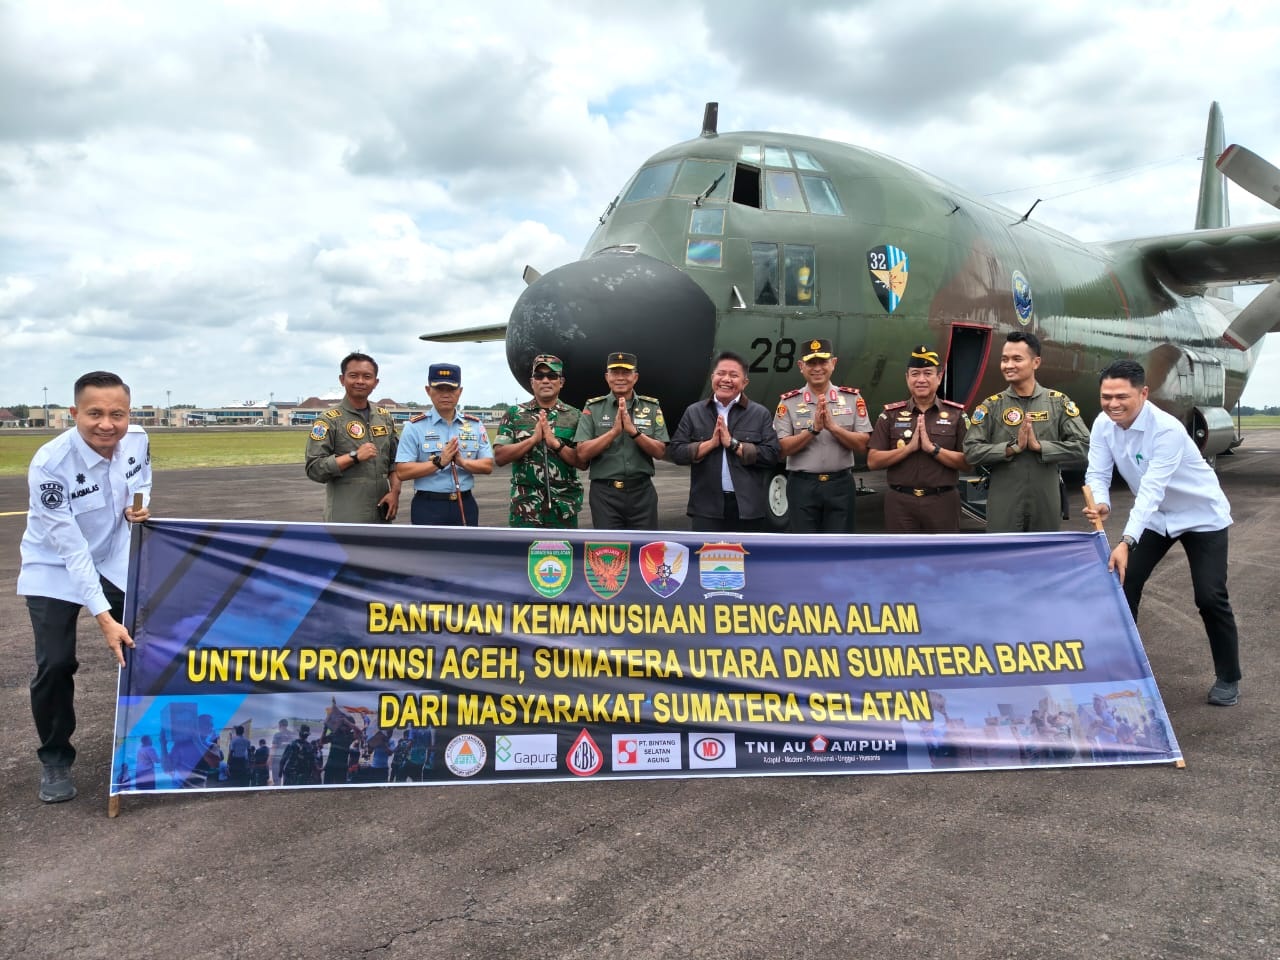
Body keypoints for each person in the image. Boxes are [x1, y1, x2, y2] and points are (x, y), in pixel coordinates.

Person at [18, 370, 152, 803]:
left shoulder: (138, 440)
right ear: (74, 413)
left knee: (151, 641)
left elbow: (142, 480)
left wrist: (139, 507)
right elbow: (73, 552)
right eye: (95, 414)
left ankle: (151, 742)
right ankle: (55, 758)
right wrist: (104, 618)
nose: (107, 425)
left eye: (118, 414)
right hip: (55, 568)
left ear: (129, 414)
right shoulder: (50, 465)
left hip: (113, 558)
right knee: (56, 663)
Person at [1082, 358, 1242, 706]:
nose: (1112, 404)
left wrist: (1125, 541)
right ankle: (1124, 669)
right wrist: (1102, 502)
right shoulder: (1103, 424)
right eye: (1106, 396)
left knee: (1210, 596)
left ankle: (1229, 677)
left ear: (1143, 393)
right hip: (1156, 519)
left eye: (1121, 396)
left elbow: (1152, 490)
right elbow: (1097, 472)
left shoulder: (1166, 429)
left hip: (1201, 515)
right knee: (1123, 582)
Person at [963, 331, 1089, 532]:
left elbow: (1084, 445)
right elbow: (971, 451)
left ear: (1035, 362)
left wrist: (1041, 447)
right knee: (1004, 550)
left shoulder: (1057, 403)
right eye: (1004, 359)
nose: (1008, 365)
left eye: (1017, 359)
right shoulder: (991, 406)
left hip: (1045, 501)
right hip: (1004, 502)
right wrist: (1011, 449)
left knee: (1044, 549)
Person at [668, 351, 781, 531]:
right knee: (707, 550)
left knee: (744, 550)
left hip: (747, 508)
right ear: (712, 377)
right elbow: (676, 452)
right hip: (706, 508)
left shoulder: (759, 414)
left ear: (745, 382)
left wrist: (733, 444)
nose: (726, 379)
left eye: (734, 375)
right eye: (721, 373)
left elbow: (772, 454)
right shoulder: (694, 412)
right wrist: (710, 444)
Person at [867, 345, 970, 533]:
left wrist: (934, 450)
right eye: (915, 374)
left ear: (939, 377)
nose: (921, 379)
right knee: (901, 552)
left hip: (942, 503)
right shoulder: (890, 415)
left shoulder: (957, 415)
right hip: (900, 504)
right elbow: (873, 461)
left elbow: (968, 462)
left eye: (928, 373)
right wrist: (908, 449)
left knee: (943, 552)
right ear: (907, 378)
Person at [773, 338, 872, 533]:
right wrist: (813, 430)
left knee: (840, 546)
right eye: (811, 363)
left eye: (823, 362)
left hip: (840, 485)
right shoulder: (788, 403)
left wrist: (834, 428)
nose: (817, 368)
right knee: (804, 546)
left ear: (833, 363)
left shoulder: (852, 399)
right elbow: (781, 449)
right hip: (802, 486)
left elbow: (863, 444)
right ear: (801, 366)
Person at [573, 352, 669, 529]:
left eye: (626, 372)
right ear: (607, 377)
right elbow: (582, 453)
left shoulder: (651, 407)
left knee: (643, 546)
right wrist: (614, 432)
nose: (620, 378)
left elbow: (660, 451)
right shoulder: (593, 408)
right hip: (605, 495)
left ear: (635, 377)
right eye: (615, 372)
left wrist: (634, 432)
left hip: (642, 493)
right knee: (609, 546)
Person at [304, 352, 401, 523]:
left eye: (367, 376)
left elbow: (395, 462)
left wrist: (394, 492)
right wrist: (354, 457)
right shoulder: (328, 420)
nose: (360, 381)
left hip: (381, 514)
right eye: (353, 375)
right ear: (342, 379)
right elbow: (314, 468)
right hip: (346, 516)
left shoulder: (384, 417)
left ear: (375, 382)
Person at [395, 364, 494, 526]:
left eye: (451, 389)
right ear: (428, 390)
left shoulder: (475, 425)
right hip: (428, 505)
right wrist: (439, 463)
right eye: (439, 389)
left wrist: (462, 462)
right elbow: (402, 471)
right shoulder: (414, 427)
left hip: (464, 503)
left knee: (466, 544)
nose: (446, 395)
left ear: (460, 391)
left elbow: (487, 465)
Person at [493, 354, 583, 527]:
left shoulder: (575, 416)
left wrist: (556, 444)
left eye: (552, 376)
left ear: (561, 382)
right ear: (532, 382)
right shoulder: (514, 414)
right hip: (525, 508)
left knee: (563, 546)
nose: (545, 381)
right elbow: (500, 457)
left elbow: (582, 462)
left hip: (564, 507)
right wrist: (532, 440)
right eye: (539, 376)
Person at [270, 718, 292, 786]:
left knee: (277, 779)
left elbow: (274, 747)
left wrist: (270, 759)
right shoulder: (291, 734)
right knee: (287, 778)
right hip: (288, 759)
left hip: (278, 758)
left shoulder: (277, 735)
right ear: (287, 725)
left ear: (280, 725)